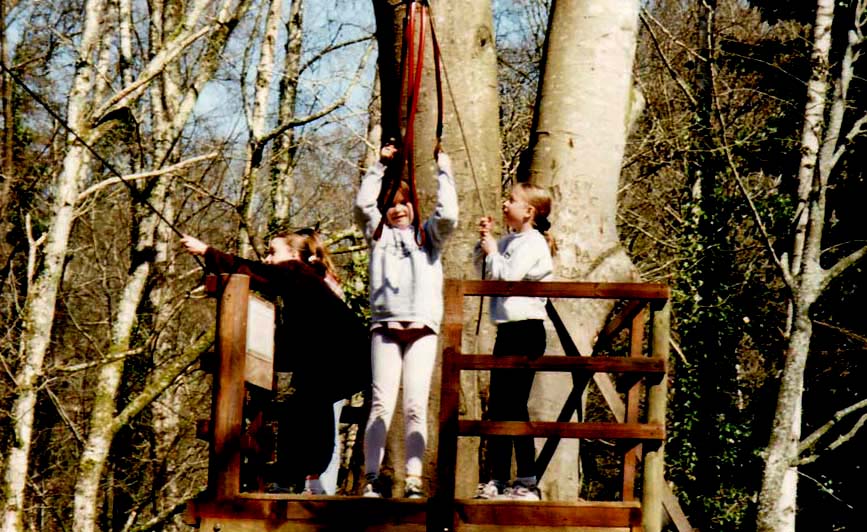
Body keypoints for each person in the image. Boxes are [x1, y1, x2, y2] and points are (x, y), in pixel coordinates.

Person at [180, 230, 370, 495]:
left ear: (293, 256)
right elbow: (294, 344)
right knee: (307, 407)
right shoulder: (306, 284)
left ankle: (295, 478)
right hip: (344, 359)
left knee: (304, 407)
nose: (268, 259)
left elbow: (252, 271)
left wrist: (207, 252)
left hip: (342, 357)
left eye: (273, 252)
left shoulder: (296, 271)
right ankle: (305, 478)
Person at [354, 143, 458, 498]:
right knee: (381, 403)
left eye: (404, 203)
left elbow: (449, 215)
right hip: (386, 326)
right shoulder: (378, 235)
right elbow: (362, 206)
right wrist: (378, 166)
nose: (398, 210)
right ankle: (371, 477)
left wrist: (444, 170)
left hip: (421, 328)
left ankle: (413, 478)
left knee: (416, 403)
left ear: (414, 206)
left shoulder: (427, 236)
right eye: (392, 204)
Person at [473, 182, 556, 501]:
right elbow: (486, 272)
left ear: (529, 212)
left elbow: (507, 278)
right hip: (507, 330)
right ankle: (497, 478)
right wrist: (485, 243)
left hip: (526, 330)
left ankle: (526, 479)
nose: (505, 204)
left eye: (511, 200)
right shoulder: (509, 240)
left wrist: (494, 252)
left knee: (515, 406)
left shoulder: (533, 243)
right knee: (499, 406)